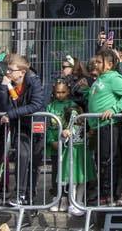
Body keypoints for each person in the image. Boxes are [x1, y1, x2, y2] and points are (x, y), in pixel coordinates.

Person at [86, 49, 122, 205]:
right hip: (98, 126)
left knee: (108, 160)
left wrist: (114, 110)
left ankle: (108, 195)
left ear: (110, 64)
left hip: (109, 125)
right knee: (101, 160)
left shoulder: (113, 78)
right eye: (97, 61)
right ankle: (104, 192)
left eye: (100, 62)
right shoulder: (100, 79)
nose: (96, 64)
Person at [0, 54, 44, 206]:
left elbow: (36, 104)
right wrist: (3, 88)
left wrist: (11, 114)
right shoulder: (9, 83)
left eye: (11, 70)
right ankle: (19, 193)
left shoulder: (33, 81)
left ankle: (30, 197)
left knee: (34, 163)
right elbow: (4, 107)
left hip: (36, 125)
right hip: (20, 125)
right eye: (7, 69)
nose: (8, 73)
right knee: (22, 155)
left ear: (22, 72)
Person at [46, 80, 77, 212]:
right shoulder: (50, 106)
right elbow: (47, 126)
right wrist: (51, 140)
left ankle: (66, 198)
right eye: (57, 92)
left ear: (68, 91)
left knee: (68, 171)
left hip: (68, 145)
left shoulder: (72, 105)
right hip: (54, 145)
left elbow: (75, 124)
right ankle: (56, 196)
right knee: (56, 172)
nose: (60, 95)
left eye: (63, 92)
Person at [61, 104, 93, 216]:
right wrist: (64, 135)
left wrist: (89, 134)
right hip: (72, 154)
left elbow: (87, 137)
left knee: (82, 180)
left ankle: (79, 201)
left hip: (83, 153)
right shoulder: (68, 128)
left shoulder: (84, 126)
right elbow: (62, 140)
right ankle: (72, 203)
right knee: (73, 181)